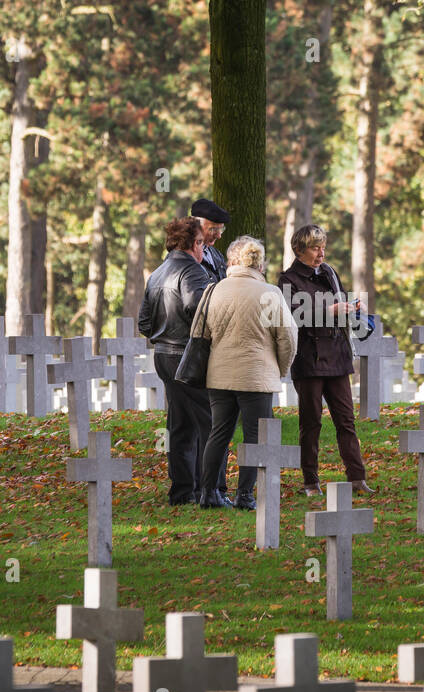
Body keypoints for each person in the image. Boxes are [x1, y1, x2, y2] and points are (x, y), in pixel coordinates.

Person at [198, 235, 297, 509]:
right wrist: (281, 368)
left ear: (231, 261)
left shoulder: (213, 291)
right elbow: (287, 337)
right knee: (255, 436)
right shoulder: (269, 294)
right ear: (260, 265)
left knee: (219, 432)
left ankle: (208, 493)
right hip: (257, 376)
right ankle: (245, 495)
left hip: (220, 374)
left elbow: (201, 335)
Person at [279, 224, 372, 496]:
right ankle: (311, 481)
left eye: (323, 247)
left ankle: (357, 477)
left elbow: (341, 301)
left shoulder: (330, 272)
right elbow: (292, 317)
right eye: (315, 248)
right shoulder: (287, 280)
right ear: (299, 250)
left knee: (346, 420)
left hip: (338, 354)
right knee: (311, 422)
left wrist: (354, 305)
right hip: (308, 359)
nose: (321, 253)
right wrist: (329, 310)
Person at [138, 217, 212, 505]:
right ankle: (210, 490)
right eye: (202, 244)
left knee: (180, 424)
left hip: (163, 356)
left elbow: (144, 322)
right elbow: (198, 307)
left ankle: (183, 491)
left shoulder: (156, 274)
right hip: (188, 356)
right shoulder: (193, 271)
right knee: (210, 423)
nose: (204, 251)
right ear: (194, 244)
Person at [191, 198, 229, 285]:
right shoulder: (185, 256)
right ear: (196, 225)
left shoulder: (217, 254)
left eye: (221, 229)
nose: (219, 236)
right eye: (213, 229)